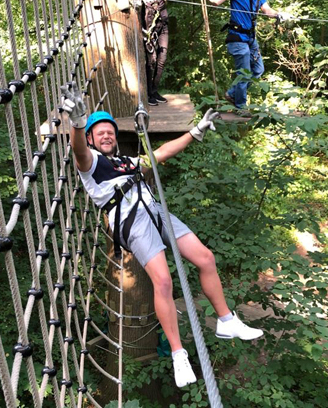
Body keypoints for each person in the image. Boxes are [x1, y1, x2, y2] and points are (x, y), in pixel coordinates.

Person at [60, 84, 264, 389]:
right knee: (164, 281)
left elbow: (160, 154)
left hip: (155, 211)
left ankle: (226, 321)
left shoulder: (126, 162)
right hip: (133, 222)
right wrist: (77, 124)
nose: (106, 135)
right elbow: (78, 152)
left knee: (206, 258)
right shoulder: (91, 165)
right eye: (98, 132)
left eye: (110, 132)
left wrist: (194, 133)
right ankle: (179, 353)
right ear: (90, 138)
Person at [195, 0, 293, 110]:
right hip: (237, 38)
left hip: (250, 39)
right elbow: (216, 1)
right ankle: (240, 108)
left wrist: (279, 14)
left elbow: (266, 10)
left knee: (258, 70)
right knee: (245, 74)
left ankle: (232, 93)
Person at [137, 0, 172, 107]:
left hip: (162, 21)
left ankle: (154, 90)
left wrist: (160, 4)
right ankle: (149, 92)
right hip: (148, 24)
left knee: (162, 57)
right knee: (151, 59)